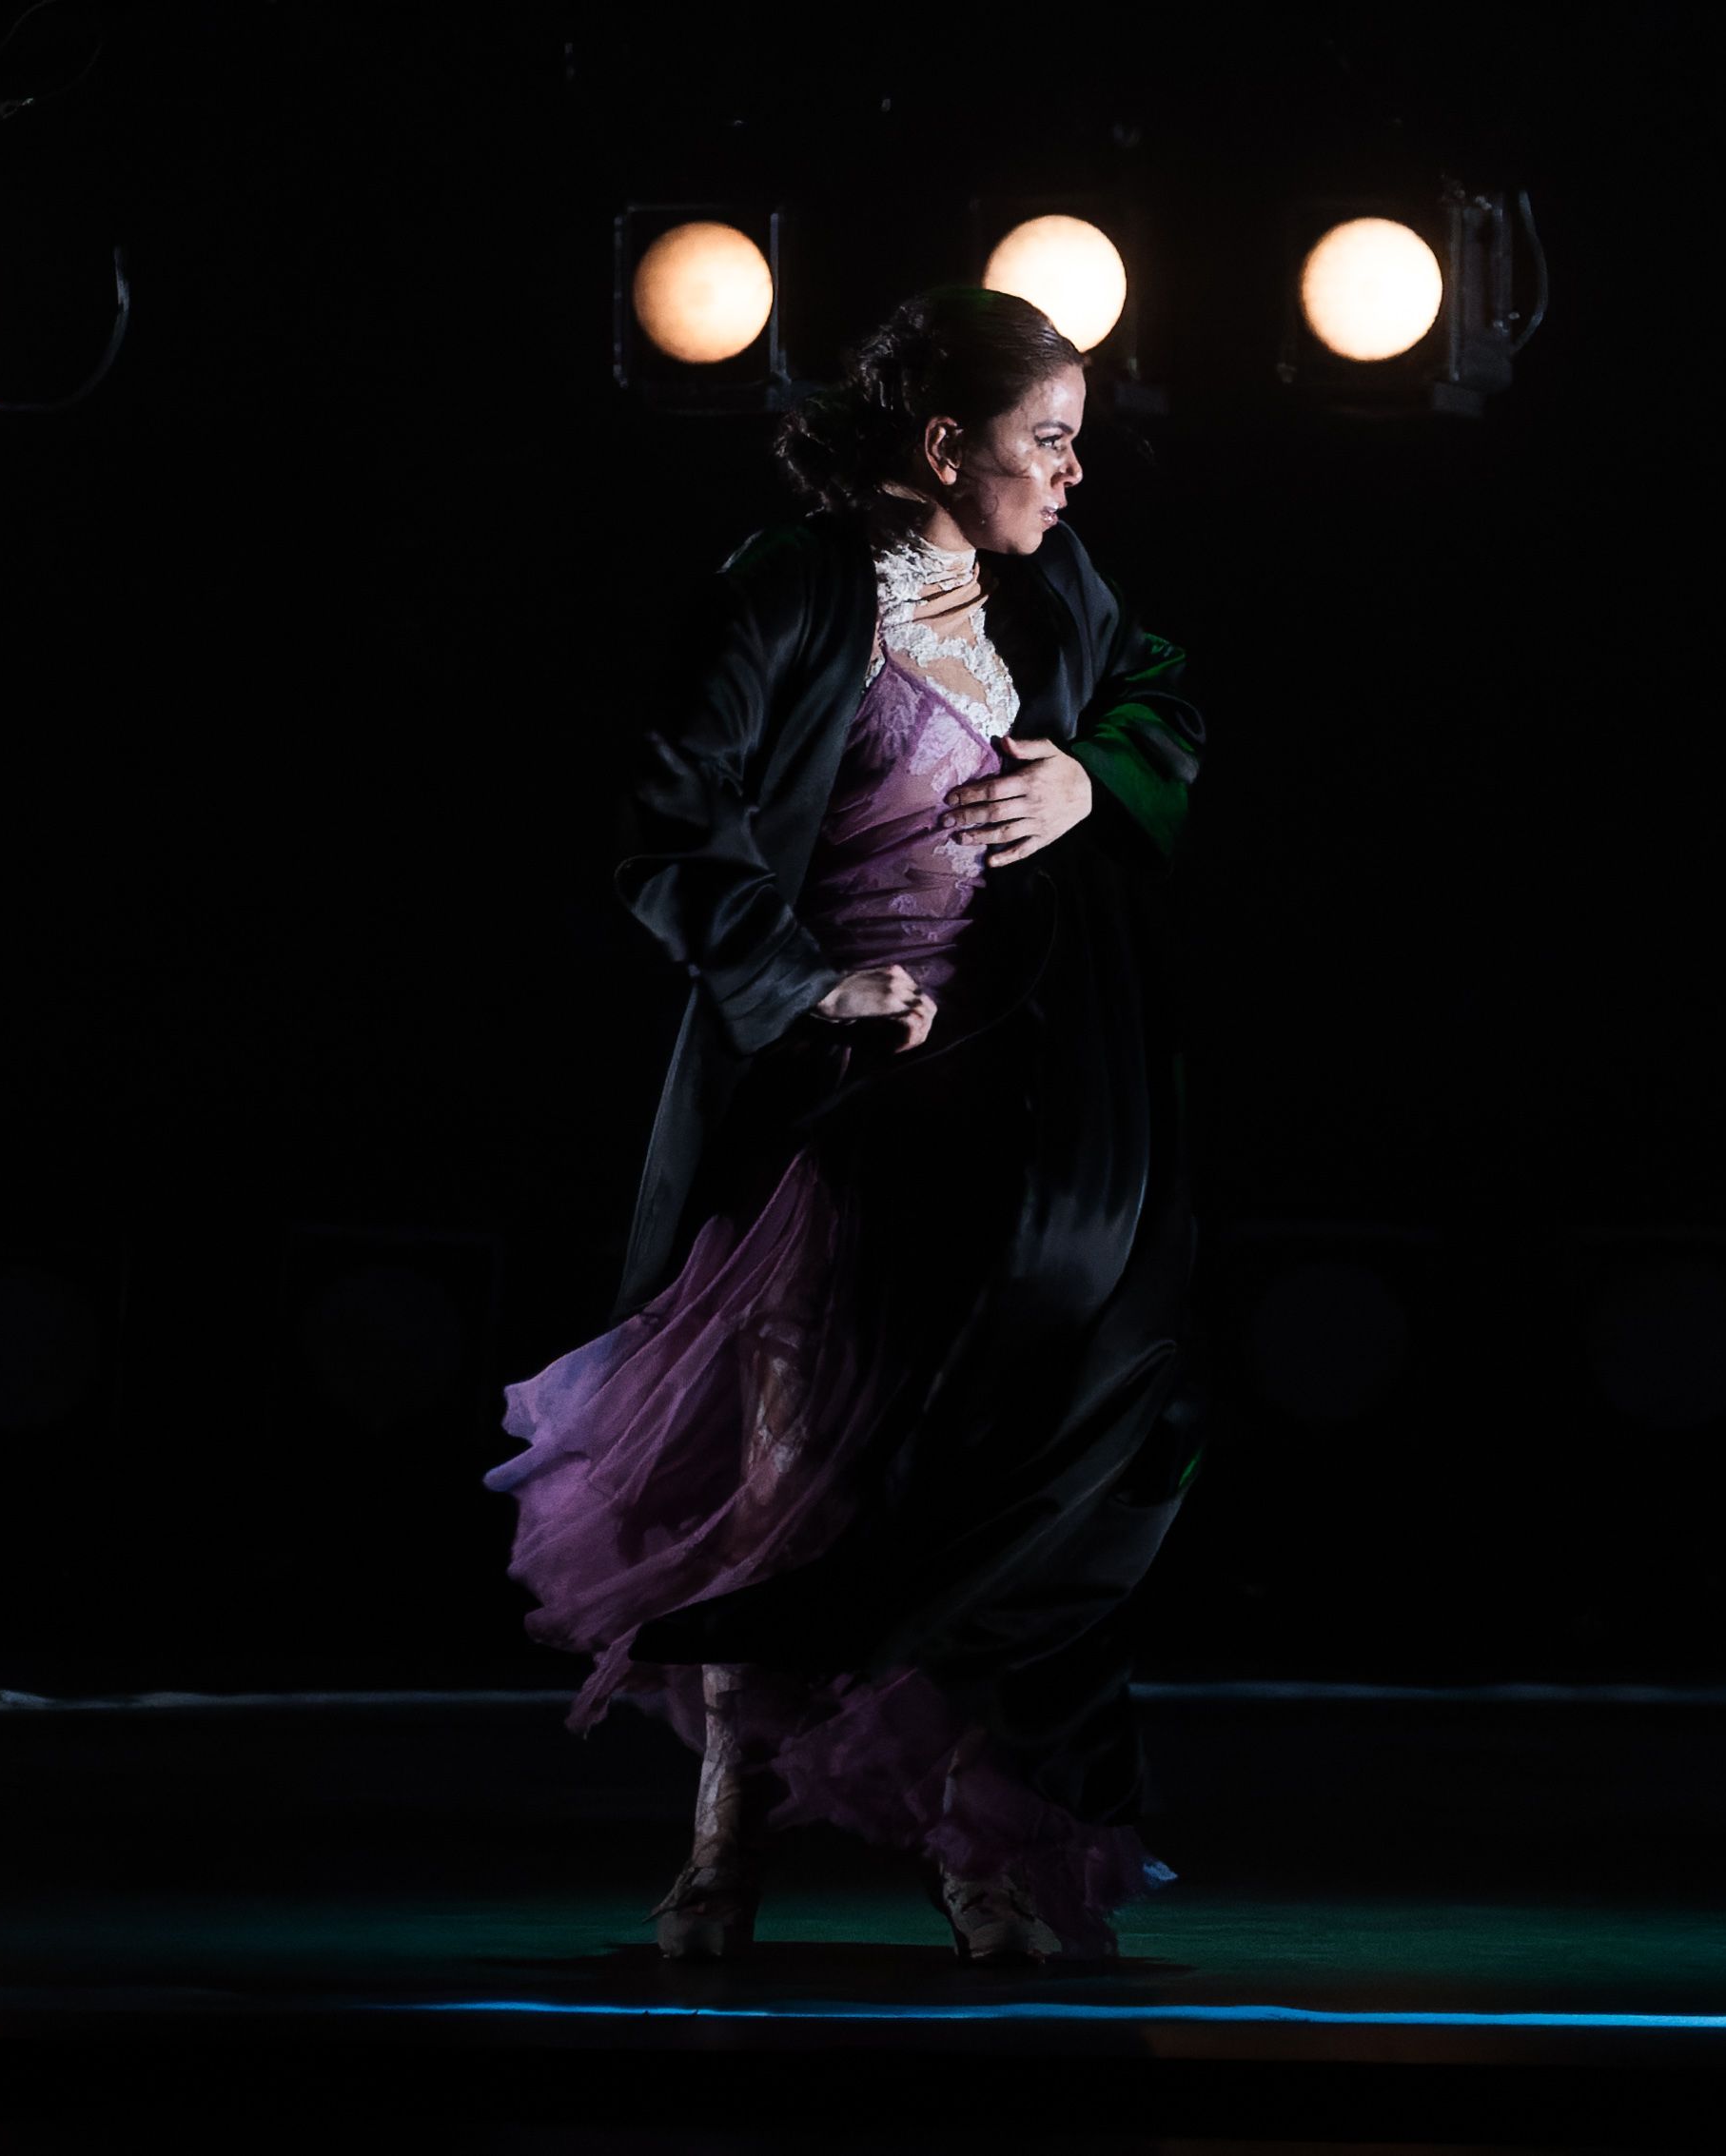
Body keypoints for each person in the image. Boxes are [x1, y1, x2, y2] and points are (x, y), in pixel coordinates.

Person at [482, 284, 1208, 1965]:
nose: (1074, 474)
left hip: (1012, 1115)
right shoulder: (791, 587)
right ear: (946, 445)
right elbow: (669, 817)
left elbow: (1162, 694)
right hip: (838, 1110)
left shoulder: (1051, 585)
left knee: (988, 1481)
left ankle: (977, 1845)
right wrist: (812, 985)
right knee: (788, 1480)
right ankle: (725, 1839)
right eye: (1048, 441)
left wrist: (1086, 776)